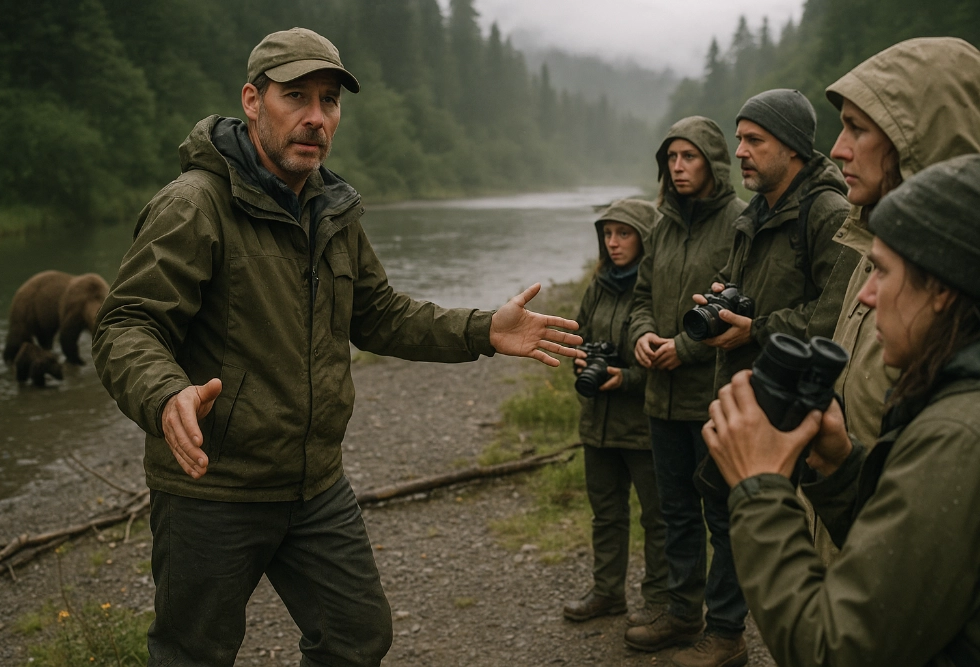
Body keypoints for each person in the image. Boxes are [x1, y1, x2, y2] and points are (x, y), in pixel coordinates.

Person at [92, 28, 582, 667]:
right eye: (295, 96)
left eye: (329, 100)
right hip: (212, 489)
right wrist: (164, 395)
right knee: (193, 654)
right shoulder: (194, 207)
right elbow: (126, 325)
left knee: (357, 637)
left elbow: (378, 315)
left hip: (314, 485)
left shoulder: (331, 208)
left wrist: (483, 329)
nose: (315, 118)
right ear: (252, 100)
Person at [702, 154, 980, 667]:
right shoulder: (953, 400)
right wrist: (839, 468)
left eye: (883, 272)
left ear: (942, 288)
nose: (867, 297)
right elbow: (909, 570)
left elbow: (836, 649)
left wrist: (759, 485)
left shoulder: (959, 435)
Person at [804, 37, 980, 564]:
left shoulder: (959, 274)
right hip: (854, 556)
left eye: (858, 127)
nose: (837, 149)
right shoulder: (873, 243)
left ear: (919, 138)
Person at [624, 117, 750, 667]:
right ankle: (681, 613)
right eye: (671, 157)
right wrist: (642, 336)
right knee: (676, 509)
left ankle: (726, 634)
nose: (678, 167)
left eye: (689, 156)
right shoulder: (663, 224)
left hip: (714, 392)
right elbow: (642, 295)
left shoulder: (742, 222)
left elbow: (737, 306)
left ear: (714, 161)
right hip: (661, 395)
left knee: (721, 514)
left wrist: (687, 347)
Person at [562, 198, 669, 623]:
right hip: (598, 425)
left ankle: (660, 601)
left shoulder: (657, 290)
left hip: (642, 425)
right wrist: (580, 359)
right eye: (608, 234)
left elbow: (665, 361)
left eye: (623, 234)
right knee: (606, 515)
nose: (614, 243)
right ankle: (607, 593)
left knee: (657, 518)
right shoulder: (599, 284)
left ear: (645, 238)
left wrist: (625, 378)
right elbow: (580, 335)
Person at [702, 89, 849, 390]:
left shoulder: (829, 214)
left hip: (791, 399)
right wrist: (718, 295)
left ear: (792, 146)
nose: (740, 151)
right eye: (739, 139)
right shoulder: (757, 208)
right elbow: (736, 278)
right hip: (741, 390)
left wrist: (756, 330)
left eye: (754, 140)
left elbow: (838, 313)